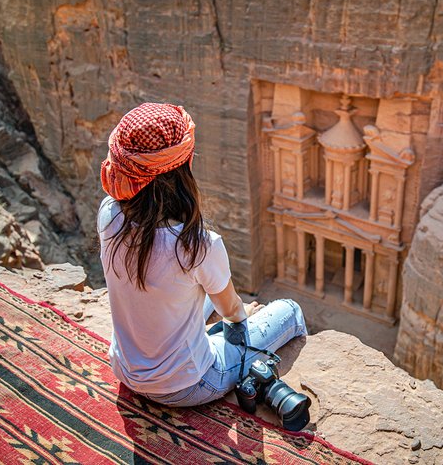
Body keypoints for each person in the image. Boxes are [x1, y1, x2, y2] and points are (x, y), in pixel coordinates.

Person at [97, 102, 307, 407]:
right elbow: (233, 311)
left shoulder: (108, 214)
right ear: (183, 168)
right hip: (188, 384)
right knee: (289, 311)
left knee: (193, 291)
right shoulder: (196, 245)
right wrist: (237, 320)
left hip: (125, 370)